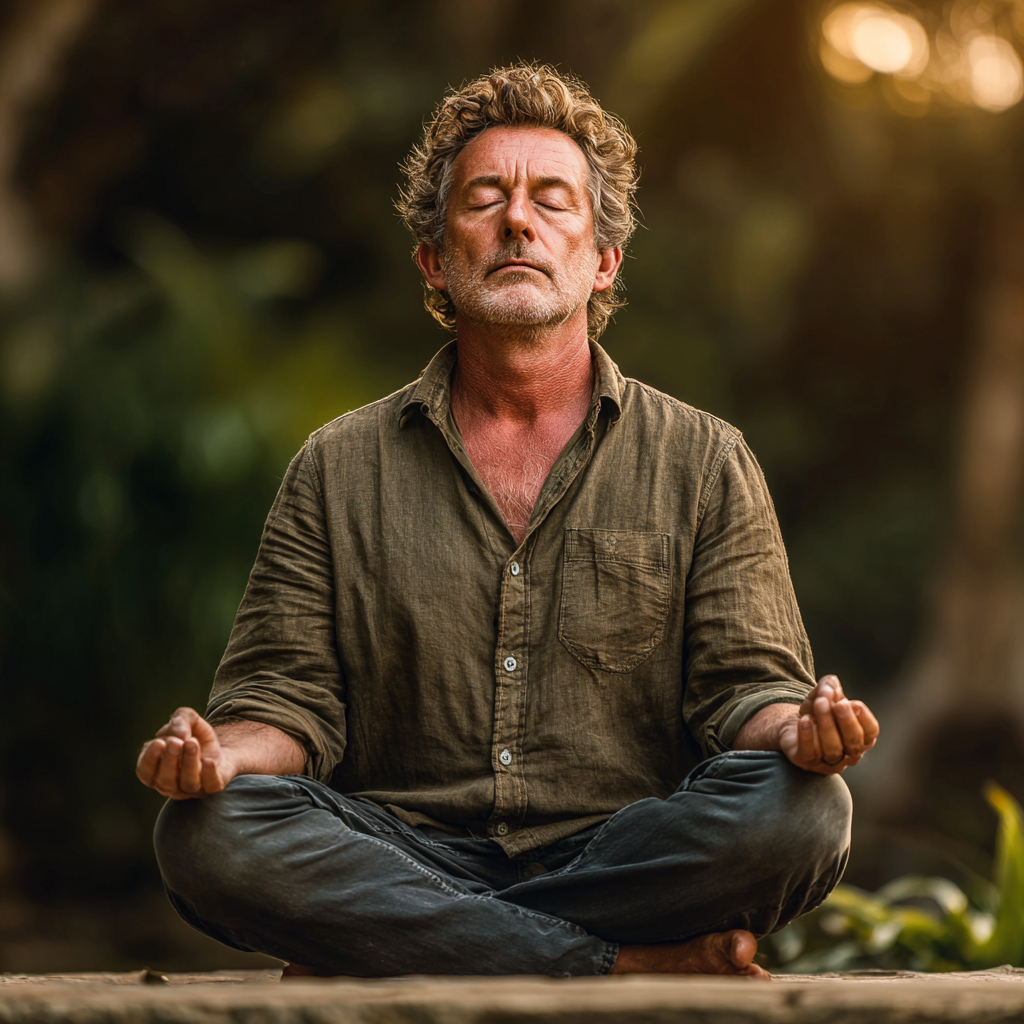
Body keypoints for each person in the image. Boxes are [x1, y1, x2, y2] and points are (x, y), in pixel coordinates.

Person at [136, 63, 879, 980]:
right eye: (486, 198)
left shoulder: (704, 460)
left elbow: (744, 690)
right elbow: (285, 702)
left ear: (602, 258)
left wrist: (798, 731)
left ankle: (402, 941)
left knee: (804, 810)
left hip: (620, 858)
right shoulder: (335, 467)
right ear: (436, 259)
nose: (518, 221)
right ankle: (623, 967)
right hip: (402, 848)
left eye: (553, 201)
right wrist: (217, 755)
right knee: (210, 832)